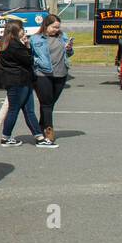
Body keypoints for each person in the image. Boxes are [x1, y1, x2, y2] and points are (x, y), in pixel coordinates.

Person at [0, 21, 42, 146]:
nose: (24, 31)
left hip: (22, 81)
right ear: (17, 30)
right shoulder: (14, 45)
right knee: (14, 109)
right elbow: (28, 60)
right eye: (22, 28)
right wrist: (27, 46)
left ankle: (39, 136)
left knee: (29, 110)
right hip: (17, 81)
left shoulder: (6, 42)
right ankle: (6, 137)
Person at [31, 14, 73, 147]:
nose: (56, 29)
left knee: (50, 104)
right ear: (46, 25)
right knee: (46, 103)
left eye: (58, 27)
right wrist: (37, 62)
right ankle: (48, 132)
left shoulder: (63, 36)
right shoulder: (36, 38)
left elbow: (70, 53)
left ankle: (39, 128)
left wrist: (69, 49)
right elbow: (30, 55)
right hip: (43, 74)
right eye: (54, 27)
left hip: (61, 73)